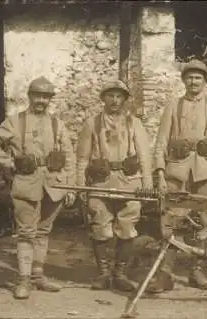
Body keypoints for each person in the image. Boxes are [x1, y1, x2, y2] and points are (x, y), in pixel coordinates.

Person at [0, 76, 76, 299]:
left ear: (50, 100)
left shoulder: (57, 124)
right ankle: (23, 280)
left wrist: (70, 185)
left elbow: (70, 156)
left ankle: (37, 275)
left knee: (44, 232)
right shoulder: (15, 122)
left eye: (46, 97)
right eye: (37, 95)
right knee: (26, 233)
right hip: (26, 184)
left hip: (54, 185)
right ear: (29, 96)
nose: (41, 100)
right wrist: (8, 164)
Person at [147, 59, 207, 293]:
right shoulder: (173, 106)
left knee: (201, 221)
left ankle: (198, 270)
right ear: (184, 80)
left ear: (205, 81)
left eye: (198, 77)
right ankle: (165, 273)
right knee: (171, 220)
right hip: (177, 170)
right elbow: (161, 142)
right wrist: (160, 174)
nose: (194, 81)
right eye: (190, 77)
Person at [75, 80, 153, 292]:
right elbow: (82, 157)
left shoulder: (134, 123)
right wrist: (81, 185)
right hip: (100, 182)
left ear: (125, 100)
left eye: (119, 96)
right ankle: (103, 274)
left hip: (130, 183)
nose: (115, 101)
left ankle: (120, 274)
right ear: (103, 99)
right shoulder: (92, 124)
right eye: (111, 96)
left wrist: (147, 182)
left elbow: (145, 155)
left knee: (127, 228)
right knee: (100, 227)